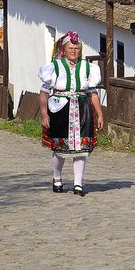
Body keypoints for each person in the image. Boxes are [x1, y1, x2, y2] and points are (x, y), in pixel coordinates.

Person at [39, 31, 103, 197]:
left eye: (77, 48)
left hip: (82, 109)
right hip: (60, 109)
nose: (74, 51)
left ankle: (78, 183)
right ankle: (57, 178)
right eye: (71, 47)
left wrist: (100, 114)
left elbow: (93, 93)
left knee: (81, 148)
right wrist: (44, 114)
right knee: (60, 148)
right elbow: (44, 93)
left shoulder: (88, 68)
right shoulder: (54, 67)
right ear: (64, 49)